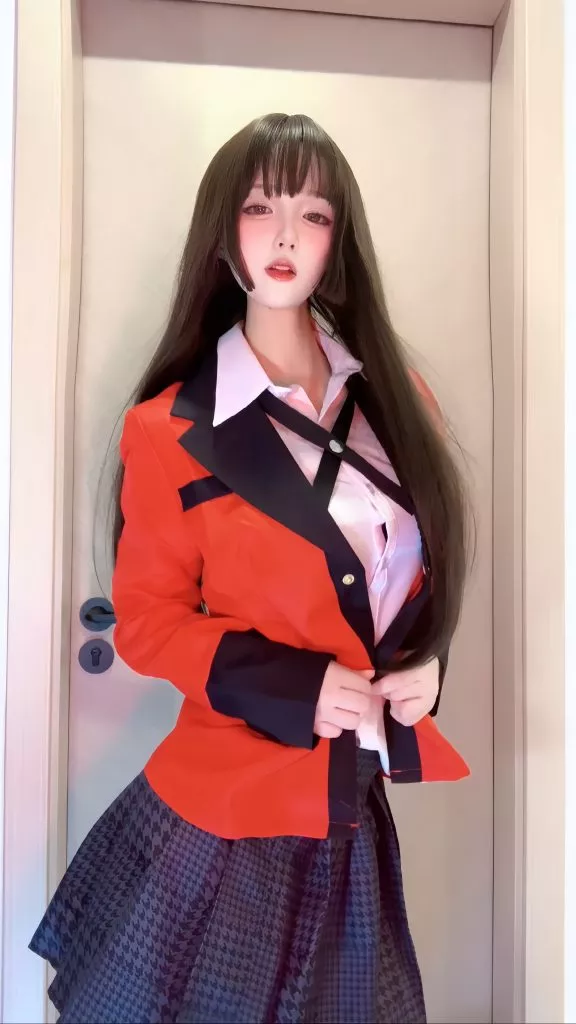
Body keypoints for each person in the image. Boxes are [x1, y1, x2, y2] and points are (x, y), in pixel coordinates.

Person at [30, 112, 471, 1024]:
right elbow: (148, 622)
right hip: (224, 813)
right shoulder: (170, 429)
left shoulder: (398, 404)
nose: (284, 236)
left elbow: (404, 580)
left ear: (338, 240)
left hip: (348, 810)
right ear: (222, 228)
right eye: (261, 207)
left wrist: (428, 666)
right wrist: (295, 686)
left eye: (313, 214)